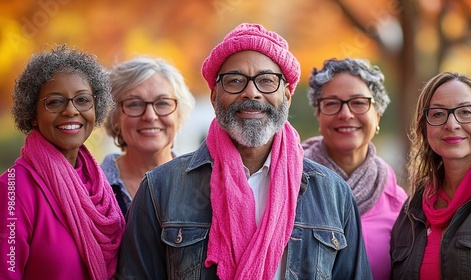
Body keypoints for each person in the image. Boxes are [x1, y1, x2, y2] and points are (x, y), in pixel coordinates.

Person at [117, 23, 372, 279]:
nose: (252, 92)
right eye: (235, 81)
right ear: (214, 95)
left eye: (266, 81)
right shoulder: (160, 189)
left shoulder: (333, 194)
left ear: (287, 95)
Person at [0, 45, 126, 280]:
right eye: (55, 102)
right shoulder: (14, 188)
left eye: (82, 100)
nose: (71, 110)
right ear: (32, 115)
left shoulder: (98, 185)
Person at [301, 58, 407, 280]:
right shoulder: (289, 182)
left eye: (358, 102)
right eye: (331, 103)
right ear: (318, 114)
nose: (346, 114)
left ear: (377, 114)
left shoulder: (398, 204)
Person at [390, 72, 471, 279]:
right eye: (438, 114)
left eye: (466, 112)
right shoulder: (410, 213)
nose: (452, 124)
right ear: (424, 126)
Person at [101, 56, 195, 216]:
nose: (150, 116)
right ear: (114, 117)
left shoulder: (203, 188)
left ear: (179, 115)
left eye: (163, 103)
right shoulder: (89, 189)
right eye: (135, 104)